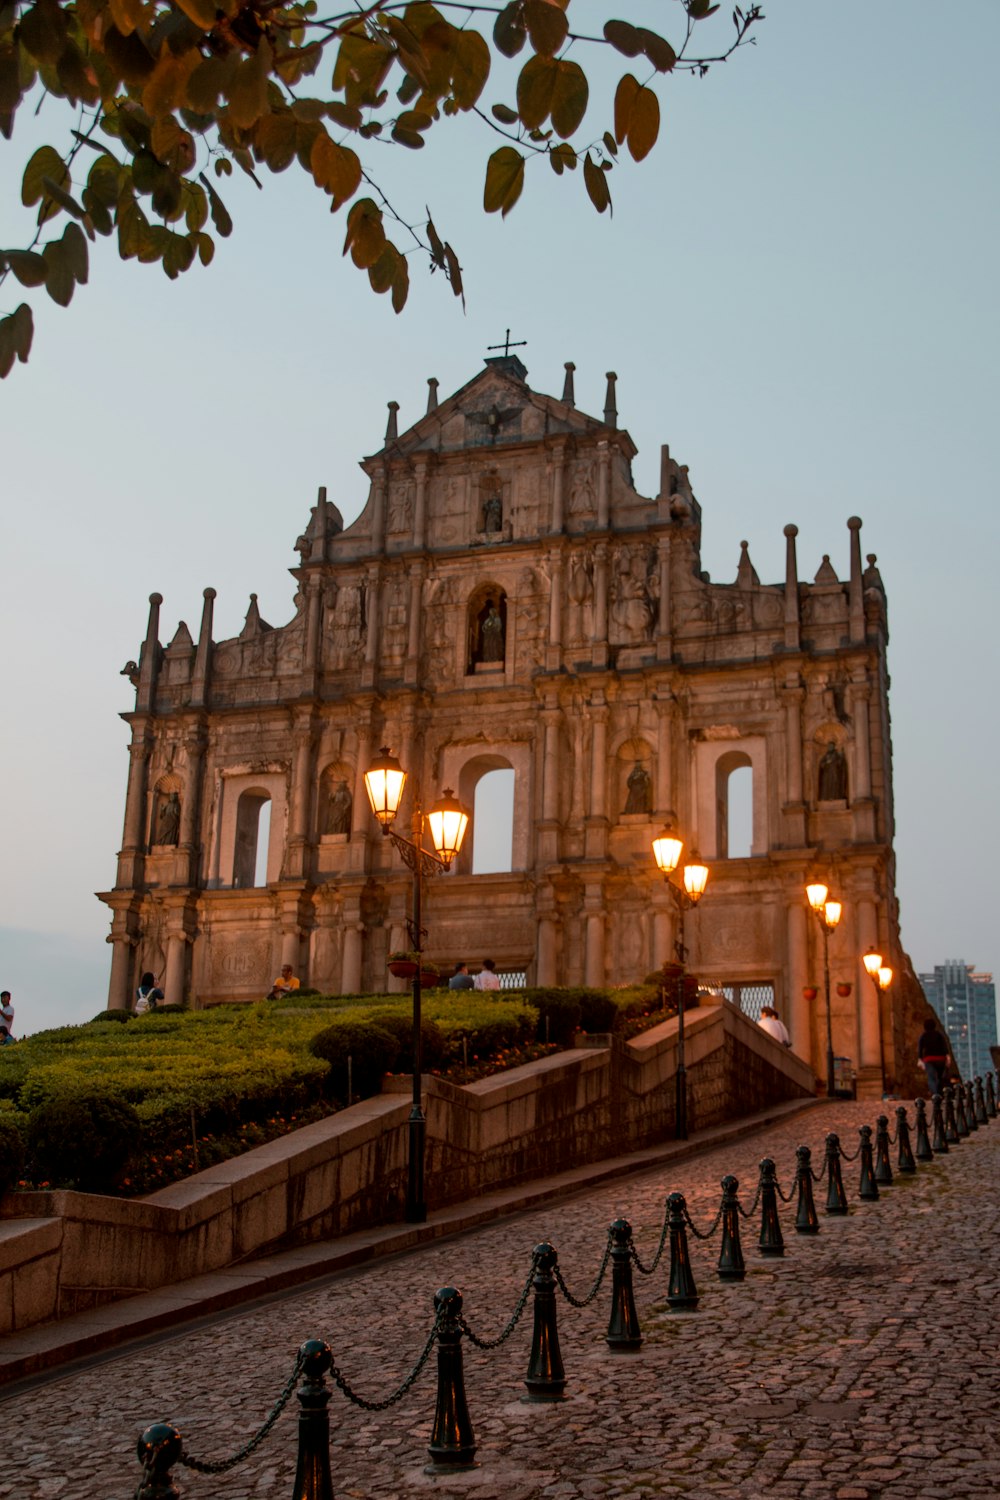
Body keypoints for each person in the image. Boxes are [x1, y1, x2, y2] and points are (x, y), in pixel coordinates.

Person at [917, 1017, 951, 1097]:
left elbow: (920, 1048)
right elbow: (944, 1046)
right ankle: (940, 1092)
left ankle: (935, 1094)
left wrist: (919, 1059)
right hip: (940, 1059)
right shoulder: (939, 1035)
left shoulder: (923, 1036)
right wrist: (948, 1057)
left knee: (931, 1078)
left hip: (929, 1059)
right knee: (940, 1077)